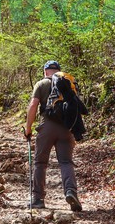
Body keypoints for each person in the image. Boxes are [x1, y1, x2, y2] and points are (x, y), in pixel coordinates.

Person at [24, 60, 82, 211]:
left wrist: (28, 128)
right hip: (66, 128)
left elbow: (33, 105)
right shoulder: (67, 83)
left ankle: (38, 199)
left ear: (45, 71)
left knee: (40, 163)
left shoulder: (41, 84)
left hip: (47, 126)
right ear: (59, 71)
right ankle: (71, 191)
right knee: (66, 162)